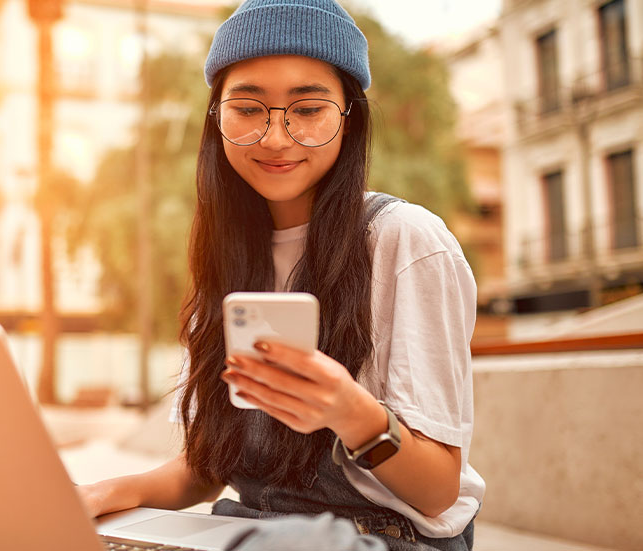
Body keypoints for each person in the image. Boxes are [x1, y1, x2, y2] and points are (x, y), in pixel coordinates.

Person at [75, 1, 485, 550]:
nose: (274, 137)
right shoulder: (226, 260)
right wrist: (100, 495)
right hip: (249, 530)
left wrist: (352, 413)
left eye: (308, 108)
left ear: (350, 119)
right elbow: (204, 469)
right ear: (216, 118)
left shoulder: (405, 240)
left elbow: (438, 490)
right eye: (248, 108)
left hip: (383, 538)